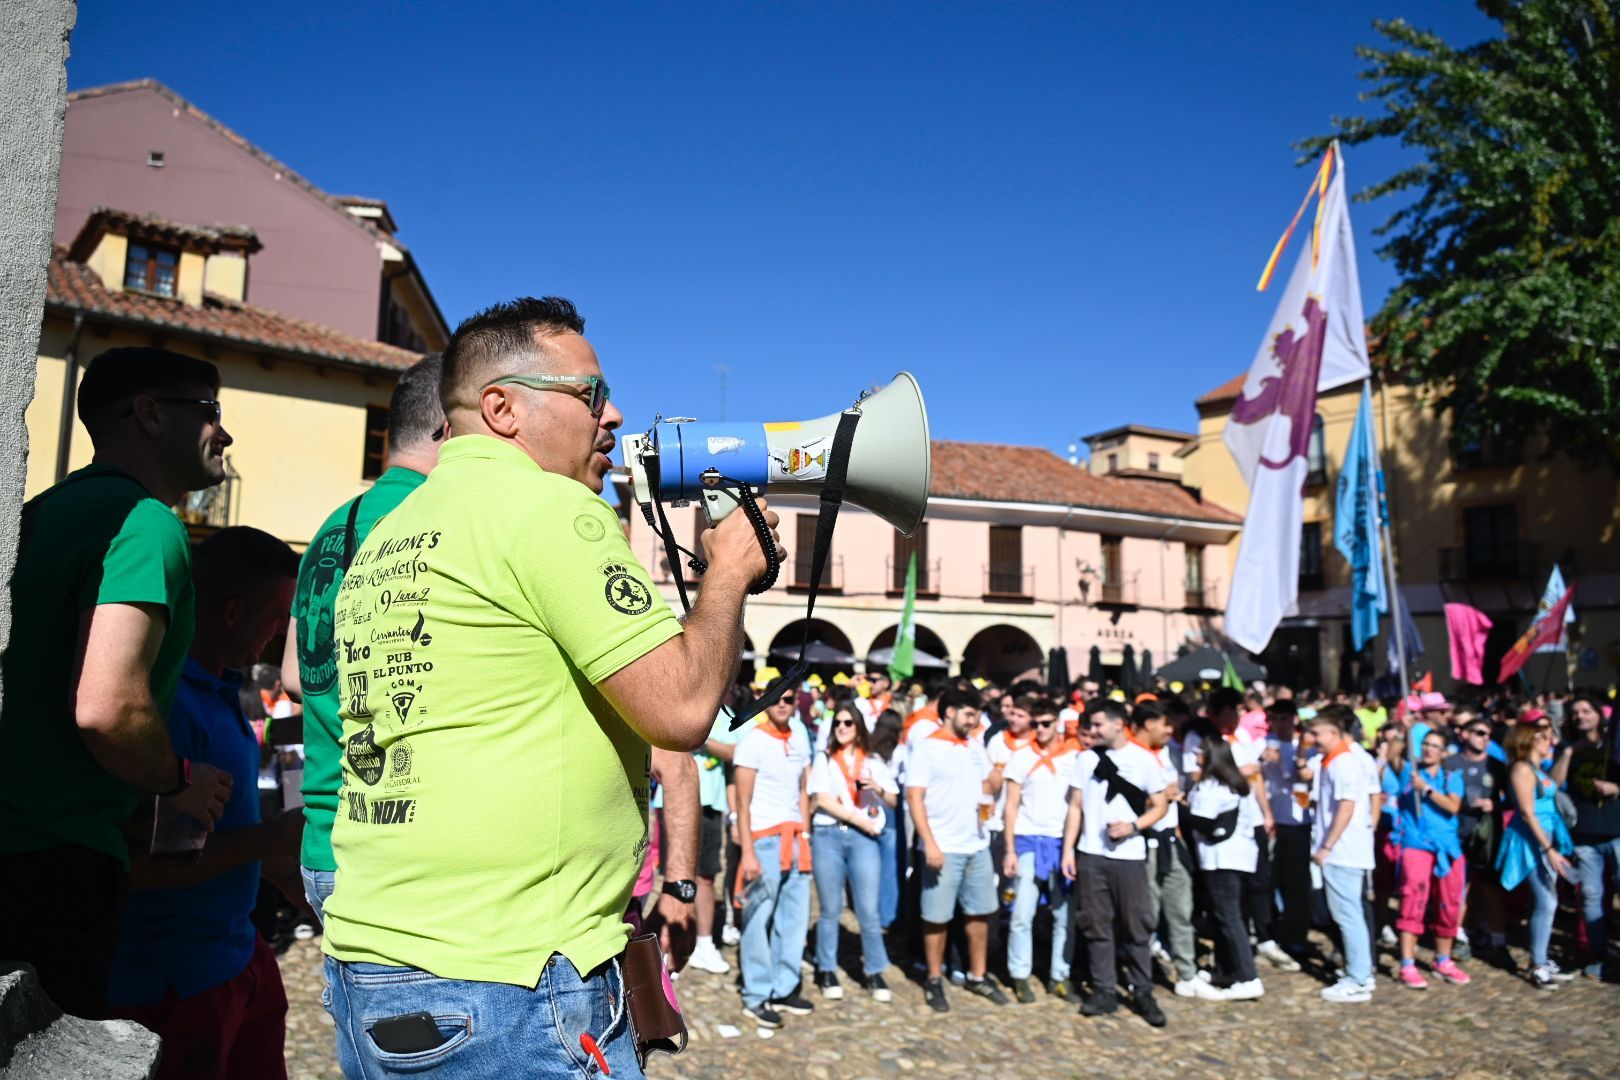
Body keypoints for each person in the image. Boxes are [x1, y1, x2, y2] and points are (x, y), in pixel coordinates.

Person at [320, 297, 779, 1078]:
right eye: (591, 393)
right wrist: (728, 572)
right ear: (502, 408)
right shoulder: (548, 507)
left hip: (376, 956)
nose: (613, 414)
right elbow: (681, 710)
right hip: (509, 976)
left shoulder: (393, 531)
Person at [0, 347, 234, 1018]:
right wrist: (179, 781)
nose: (224, 433)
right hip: (58, 860)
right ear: (150, 414)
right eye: (210, 411)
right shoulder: (144, 522)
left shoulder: (42, 513)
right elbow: (108, 705)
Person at [106, 527, 305, 1079]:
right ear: (233, 613)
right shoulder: (170, 709)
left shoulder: (221, 692)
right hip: (177, 984)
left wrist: (288, 878)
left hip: (238, 959)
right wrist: (269, 838)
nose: (280, 633)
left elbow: (219, 835)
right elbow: (142, 866)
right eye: (278, 616)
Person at [281, 355, 447, 930]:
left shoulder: (332, 526)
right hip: (403, 855)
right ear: (450, 427)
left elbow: (294, 677)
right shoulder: (439, 517)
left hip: (325, 841)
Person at [1061, 699, 1170, 1028]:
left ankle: (1142, 990)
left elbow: (1160, 805)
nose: (1091, 731)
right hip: (1092, 854)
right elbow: (1076, 806)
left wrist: (1134, 826)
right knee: (1096, 923)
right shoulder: (1085, 759)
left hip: (1129, 857)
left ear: (1118, 724)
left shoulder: (1143, 759)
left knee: (1137, 924)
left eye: (1097, 725)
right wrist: (1069, 850)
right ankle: (1104, 989)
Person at [906, 687, 1009, 1012]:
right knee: (936, 917)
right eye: (968, 713)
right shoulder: (927, 749)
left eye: (976, 714)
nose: (974, 720)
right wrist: (929, 843)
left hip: (976, 843)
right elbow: (914, 797)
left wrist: (996, 775)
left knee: (979, 913)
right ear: (949, 712)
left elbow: (987, 785)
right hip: (943, 846)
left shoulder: (974, 746)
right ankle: (934, 977)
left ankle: (978, 975)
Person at [734, 689, 814, 1026]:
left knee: (793, 920)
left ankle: (784, 987)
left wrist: (806, 835)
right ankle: (757, 993)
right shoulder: (753, 741)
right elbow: (742, 801)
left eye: (789, 699)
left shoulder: (800, 737)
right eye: (777, 698)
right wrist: (747, 852)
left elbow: (803, 791)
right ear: (766, 703)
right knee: (757, 919)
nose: (783, 703)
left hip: (796, 839)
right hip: (765, 841)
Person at [808, 702, 896, 1002]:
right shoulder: (825, 759)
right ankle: (827, 968)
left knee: (868, 910)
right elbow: (822, 799)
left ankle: (874, 970)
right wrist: (859, 819)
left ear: (858, 727)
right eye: (837, 723)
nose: (842, 728)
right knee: (830, 908)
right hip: (829, 835)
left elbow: (893, 800)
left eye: (848, 723)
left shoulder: (873, 760)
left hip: (863, 839)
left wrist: (878, 789)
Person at [1001, 696, 1078, 1003]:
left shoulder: (1073, 757)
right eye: (1036, 724)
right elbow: (1010, 806)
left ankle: (1060, 975)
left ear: (1057, 723)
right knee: (1022, 912)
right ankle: (1020, 973)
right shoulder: (1020, 758)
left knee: (1064, 915)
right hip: (1028, 840)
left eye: (1046, 723)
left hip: (1061, 843)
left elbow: (1078, 804)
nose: (1041, 729)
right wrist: (1010, 849)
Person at [1382, 728, 1470, 989]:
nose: (1429, 749)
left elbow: (1453, 806)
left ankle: (1443, 959)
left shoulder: (1452, 776)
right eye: (1426, 744)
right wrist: (1404, 729)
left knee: (1449, 903)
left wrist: (1427, 790)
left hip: (1447, 847)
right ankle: (1407, 963)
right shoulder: (1409, 772)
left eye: (1435, 746)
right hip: (1416, 844)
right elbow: (1393, 755)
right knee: (1413, 900)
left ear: (1443, 752)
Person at [1309, 705, 1381, 1004]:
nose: (1312, 738)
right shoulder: (1335, 761)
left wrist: (1327, 846)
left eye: (1316, 733)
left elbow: (1346, 807)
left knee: (1348, 914)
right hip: (1343, 850)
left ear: (1333, 733)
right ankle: (1359, 972)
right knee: (1348, 913)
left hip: (1344, 851)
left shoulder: (1344, 763)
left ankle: (1358, 978)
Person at [1497, 723, 1576, 989]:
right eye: (1544, 736)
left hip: (1546, 838)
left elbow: (1555, 785)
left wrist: (1565, 755)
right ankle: (1538, 964)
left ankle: (1539, 958)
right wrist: (1548, 849)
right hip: (1532, 842)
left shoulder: (1537, 768)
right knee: (1546, 900)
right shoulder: (1521, 768)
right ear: (1529, 739)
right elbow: (1527, 813)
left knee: (1546, 900)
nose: (1549, 740)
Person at [1186, 739, 1264, 1001]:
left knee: (1229, 917)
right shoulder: (1237, 784)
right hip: (1241, 857)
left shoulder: (1212, 786)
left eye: (1200, 751)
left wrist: (1178, 806)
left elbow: (1201, 820)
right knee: (1224, 916)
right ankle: (1226, 970)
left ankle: (1248, 977)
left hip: (1222, 859)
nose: (1196, 755)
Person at [1132, 701, 1198, 996]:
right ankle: (1142, 975)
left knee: (1181, 909)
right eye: (1166, 724)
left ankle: (1187, 974)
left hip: (1172, 839)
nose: (1171, 730)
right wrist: (1156, 799)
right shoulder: (1130, 756)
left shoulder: (1169, 751)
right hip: (1145, 842)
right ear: (1149, 724)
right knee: (1146, 913)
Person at [1552, 696, 1620, 978]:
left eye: (1586, 710)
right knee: (1591, 896)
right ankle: (1598, 954)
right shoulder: (1567, 748)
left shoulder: (1614, 744)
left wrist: (1616, 788)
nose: (1580, 716)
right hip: (1583, 836)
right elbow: (1552, 784)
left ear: (1598, 714)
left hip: (1616, 832)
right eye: (1575, 712)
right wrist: (1568, 753)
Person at [1447, 710, 1510, 961]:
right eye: (1480, 733)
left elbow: (1513, 798)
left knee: (1491, 887)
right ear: (1464, 734)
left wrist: (1496, 805)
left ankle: (1498, 941)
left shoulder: (1496, 765)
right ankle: (1458, 936)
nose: (1485, 739)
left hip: (1488, 835)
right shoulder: (1451, 763)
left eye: (1489, 735)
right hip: (1458, 831)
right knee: (1459, 886)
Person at [1261, 700, 1314, 965]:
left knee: (1296, 884)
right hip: (1270, 821)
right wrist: (1261, 761)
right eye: (1275, 719)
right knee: (1267, 880)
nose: (1280, 724)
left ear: (1294, 719)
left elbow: (1307, 779)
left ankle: (1296, 935)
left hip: (1297, 821)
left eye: (1285, 718)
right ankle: (1268, 931)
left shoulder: (1305, 746)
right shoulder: (1263, 744)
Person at [869, 708, 905, 930]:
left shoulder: (869, 749)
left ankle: (873, 910)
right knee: (891, 866)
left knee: (873, 864)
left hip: (871, 809)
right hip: (890, 809)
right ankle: (889, 914)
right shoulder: (898, 751)